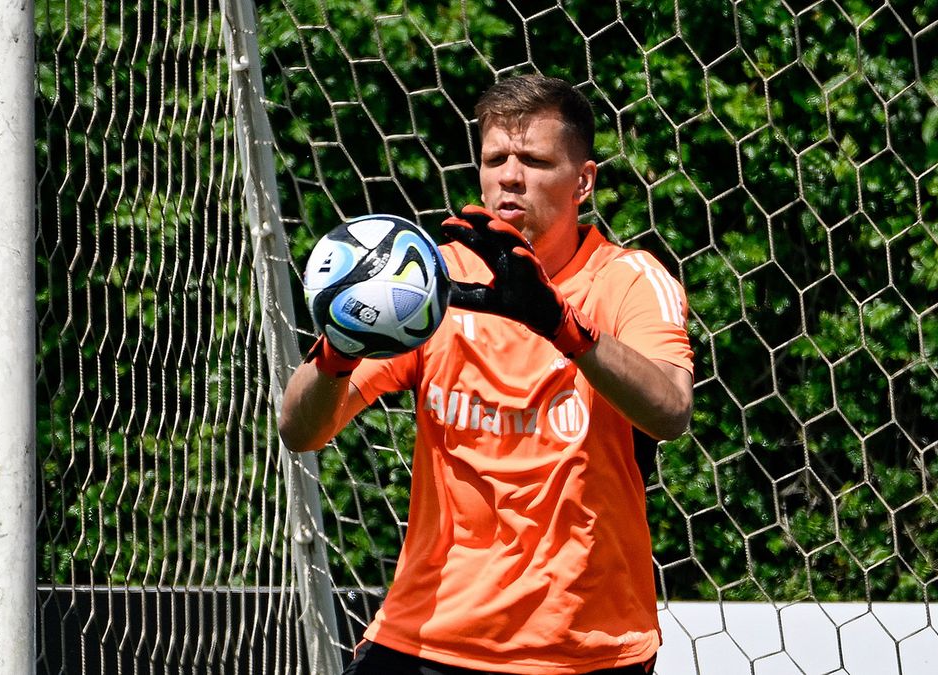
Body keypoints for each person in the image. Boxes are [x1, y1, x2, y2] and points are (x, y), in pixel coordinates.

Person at [279, 74, 694, 675]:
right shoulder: (428, 286)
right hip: (426, 634)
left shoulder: (628, 279)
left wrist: (562, 328)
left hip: (582, 650)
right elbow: (301, 430)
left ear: (583, 181)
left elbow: (671, 409)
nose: (510, 176)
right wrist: (338, 350)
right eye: (495, 158)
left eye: (534, 159)